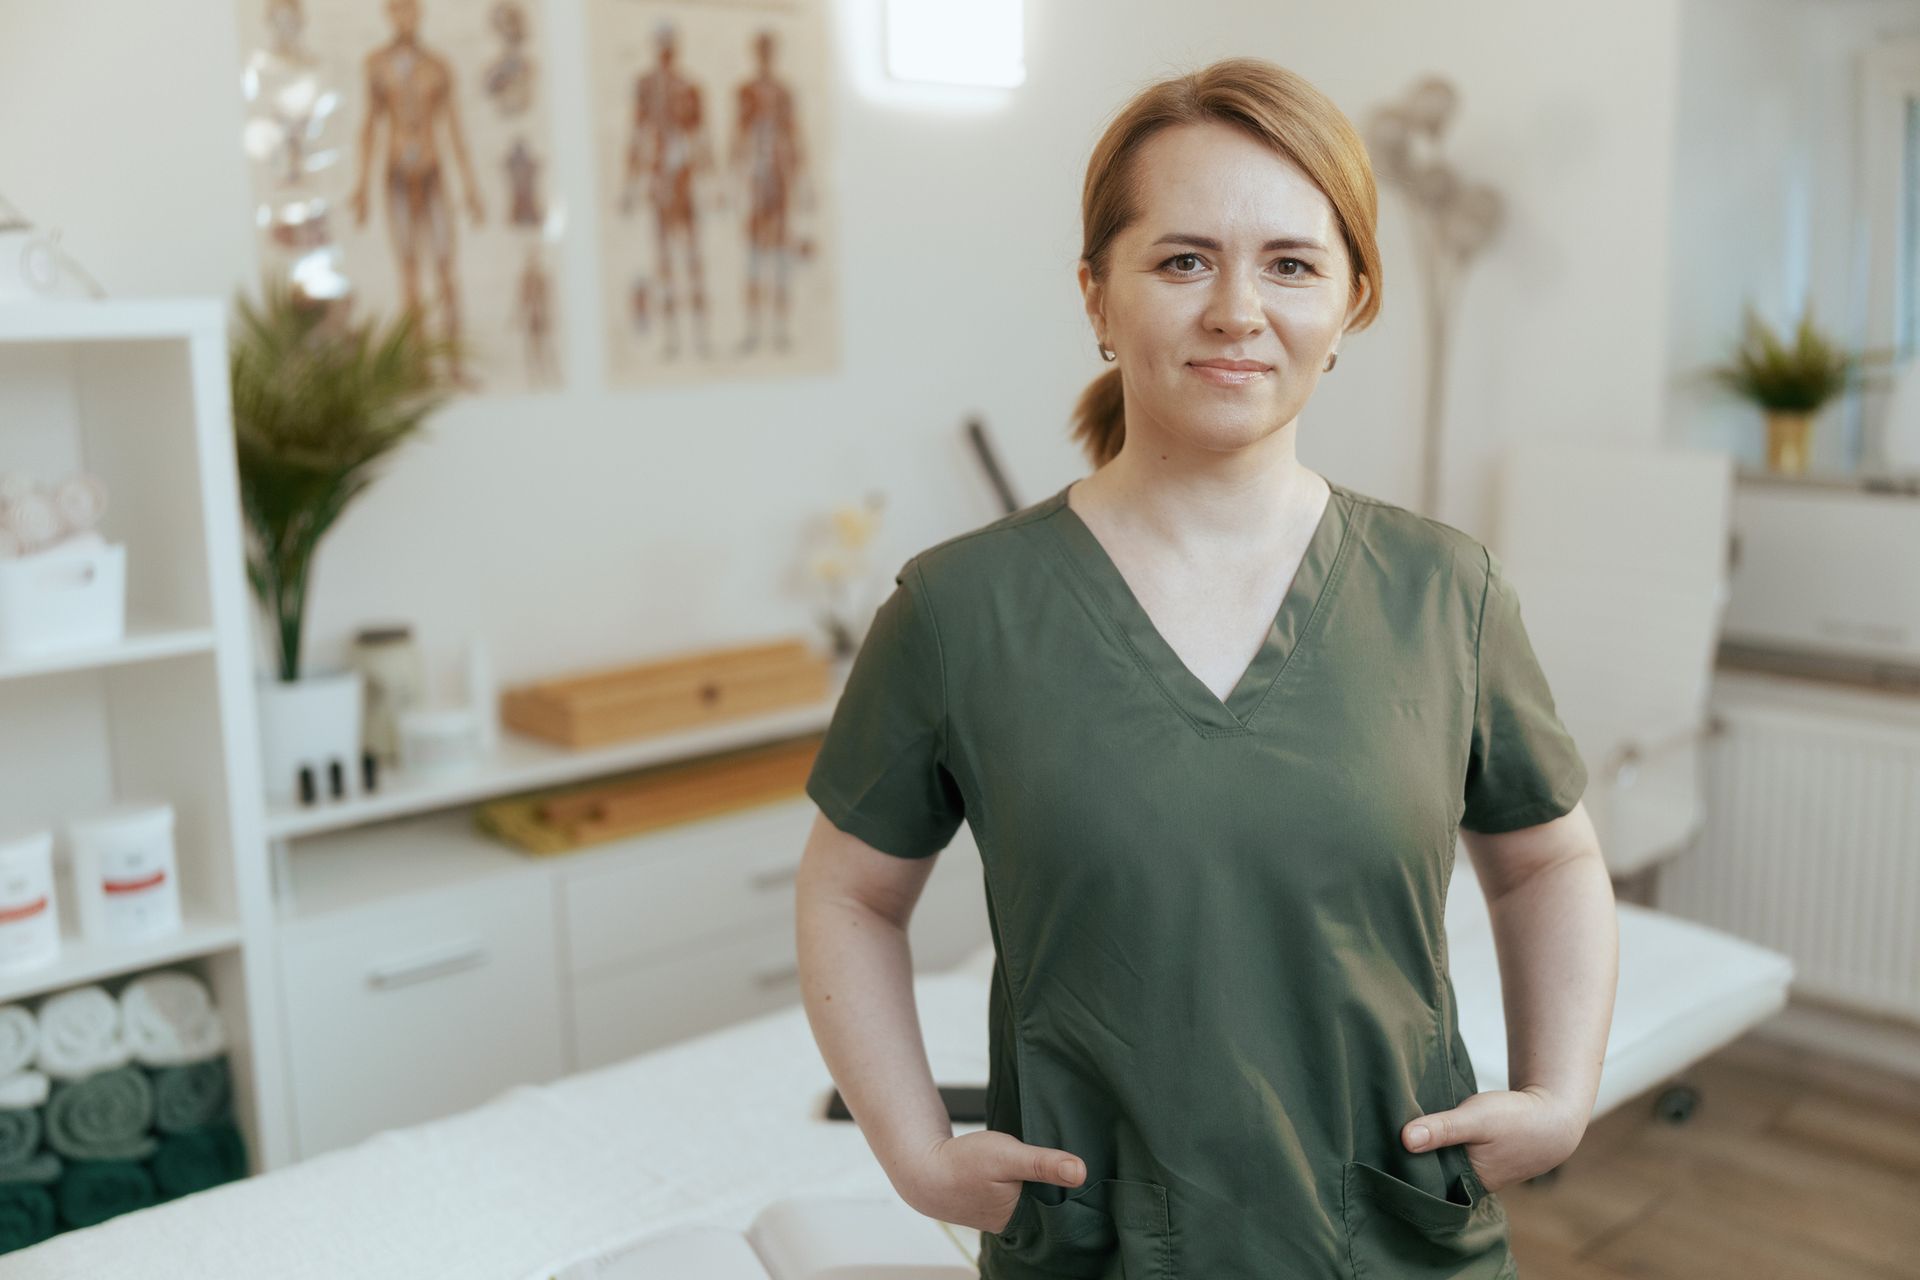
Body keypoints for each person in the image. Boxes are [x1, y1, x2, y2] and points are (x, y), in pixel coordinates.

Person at [794, 56, 1618, 1280]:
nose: (1239, 308)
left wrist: (1561, 1092)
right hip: (1102, 1248)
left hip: (1389, 1245)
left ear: (1350, 304)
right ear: (1098, 296)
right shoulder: (959, 611)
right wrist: (914, 1148)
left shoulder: (1449, 593)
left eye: (1291, 263)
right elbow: (849, 894)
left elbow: (1548, 856)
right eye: (1185, 259)